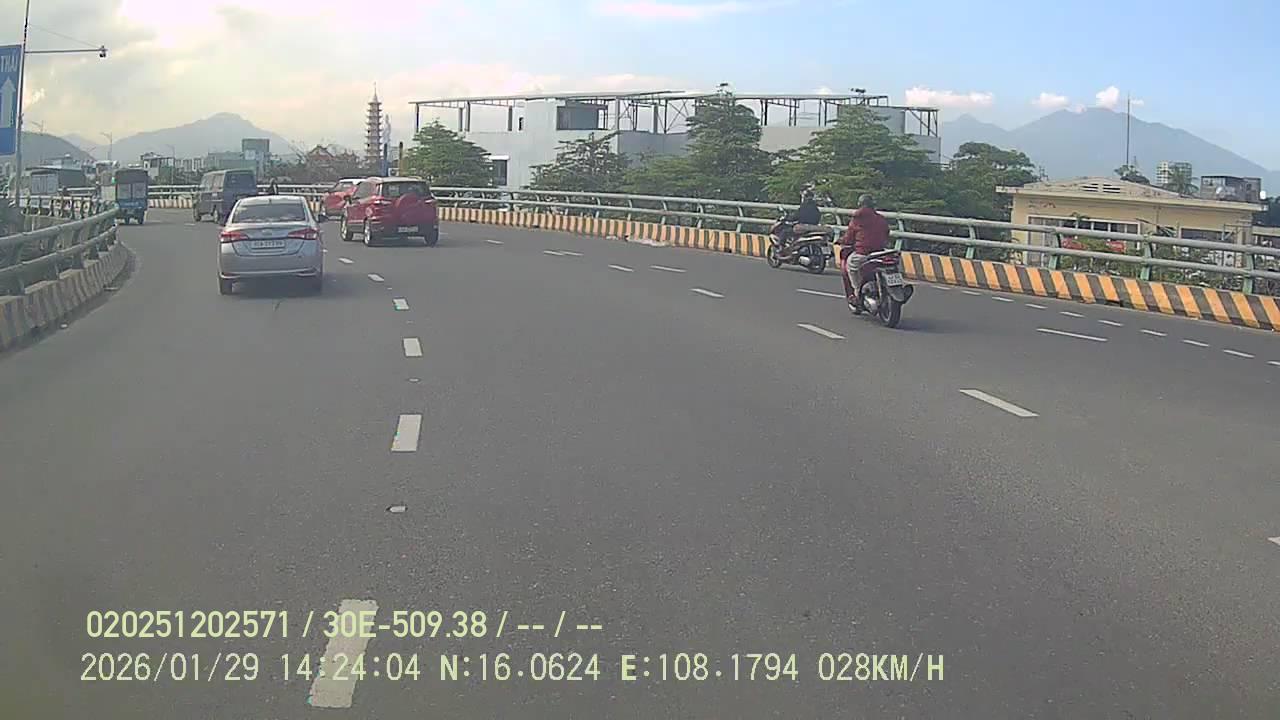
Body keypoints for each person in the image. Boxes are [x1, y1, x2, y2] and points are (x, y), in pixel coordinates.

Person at [840, 193, 890, 309]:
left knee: (851, 265)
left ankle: (857, 292)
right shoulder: (880, 218)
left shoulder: (858, 218)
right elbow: (887, 233)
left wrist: (841, 240)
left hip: (863, 253)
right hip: (880, 252)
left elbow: (849, 237)